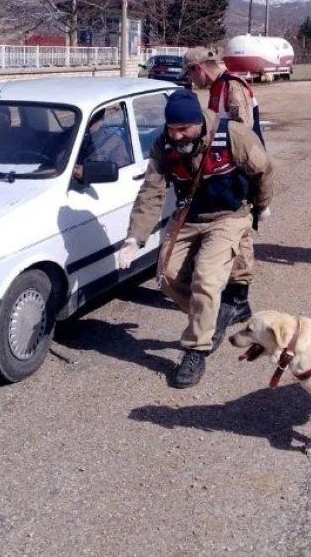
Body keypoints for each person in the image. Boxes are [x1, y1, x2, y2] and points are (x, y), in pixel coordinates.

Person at [117, 89, 273, 389]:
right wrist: (134, 238)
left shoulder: (233, 136)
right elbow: (152, 191)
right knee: (166, 276)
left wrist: (263, 206)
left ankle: (196, 350)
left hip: (228, 216)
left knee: (206, 279)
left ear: (199, 123)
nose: (177, 136)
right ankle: (210, 316)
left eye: (183, 129)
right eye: (172, 129)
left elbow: (263, 169)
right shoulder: (164, 144)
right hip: (189, 217)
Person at [182, 47, 267, 346]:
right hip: (229, 167)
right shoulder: (219, 86)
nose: (192, 81)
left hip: (240, 167)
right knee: (239, 234)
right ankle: (238, 298)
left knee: (241, 229)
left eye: (191, 74)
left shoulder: (231, 86)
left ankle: (238, 298)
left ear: (199, 68)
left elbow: (242, 133)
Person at [73, 106, 131, 182]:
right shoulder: (70, 136)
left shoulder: (115, 142)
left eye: (89, 122)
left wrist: (86, 172)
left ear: (101, 122)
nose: (84, 127)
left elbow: (118, 174)